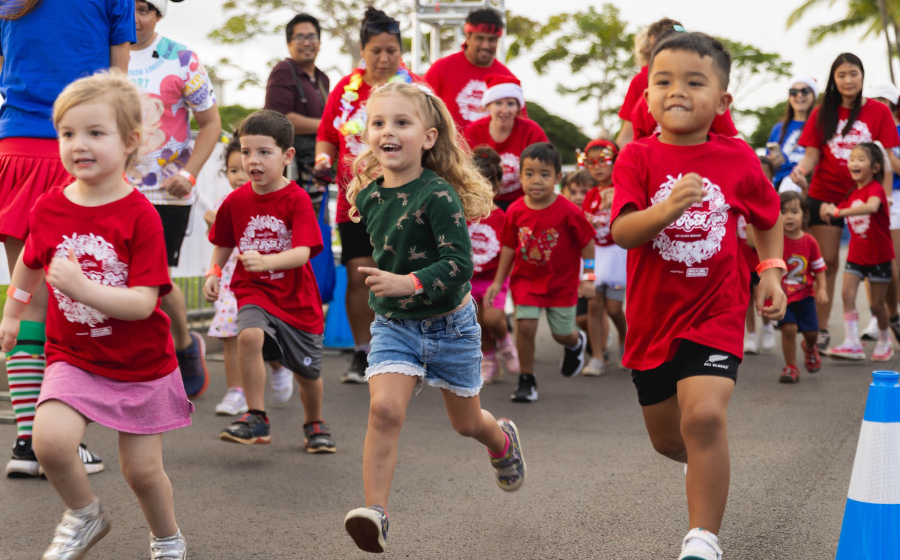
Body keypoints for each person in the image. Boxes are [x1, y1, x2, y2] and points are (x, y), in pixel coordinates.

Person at [0, 72, 192, 560]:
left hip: (140, 363)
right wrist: (13, 312)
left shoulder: (139, 215)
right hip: (75, 355)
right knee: (49, 441)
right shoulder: (49, 207)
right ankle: (85, 515)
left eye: (94, 133)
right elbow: (29, 262)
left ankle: (167, 538)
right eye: (67, 133)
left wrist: (85, 288)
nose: (77, 145)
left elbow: (144, 302)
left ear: (130, 142)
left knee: (142, 473)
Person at [610, 33, 785, 560]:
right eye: (662, 81)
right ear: (646, 97)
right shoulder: (636, 157)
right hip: (651, 319)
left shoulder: (737, 158)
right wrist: (666, 210)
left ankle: (702, 538)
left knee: (705, 417)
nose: (676, 90)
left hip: (717, 310)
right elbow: (622, 232)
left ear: (722, 101)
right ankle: (705, 464)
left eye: (694, 80)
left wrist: (772, 274)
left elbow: (768, 219)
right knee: (670, 439)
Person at [341, 82, 525, 553]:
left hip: (451, 326)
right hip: (394, 327)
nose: (388, 131)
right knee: (384, 410)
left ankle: (500, 439)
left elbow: (460, 264)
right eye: (379, 123)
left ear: (428, 136)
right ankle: (376, 513)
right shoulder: (367, 195)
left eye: (401, 122)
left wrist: (409, 282)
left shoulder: (438, 194)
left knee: (467, 424)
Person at [0, 0, 132, 478]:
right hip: (81, 147)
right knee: (75, 300)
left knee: (28, 293)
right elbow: (117, 84)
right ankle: (56, 438)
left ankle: (26, 441)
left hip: (16, 147)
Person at [205, 110, 336, 453]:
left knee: (308, 374)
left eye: (264, 152)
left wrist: (267, 261)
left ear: (287, 155)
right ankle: (256, 416)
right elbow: (224, 242)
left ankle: (314, 423)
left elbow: (304, 251)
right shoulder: (235, 201)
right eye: (247, 152)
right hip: (254, 290)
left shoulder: (296, 199)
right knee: (248, 335)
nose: (253, 161)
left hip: (296, 297)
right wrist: (214, 273)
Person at [128, 0, 222, 398]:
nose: (135, 16)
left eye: (145, 8)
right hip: (113, 190)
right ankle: (135, 361)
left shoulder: (181, 59)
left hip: (167, 193)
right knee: (118, 278)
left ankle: (185, 345)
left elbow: (211, 123)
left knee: (156, 279)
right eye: (127, 6)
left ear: (159, 15)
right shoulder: (97, 54)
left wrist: (188, 174)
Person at [315, 7, 413, 383]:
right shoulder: (345, 90)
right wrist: (325, 156)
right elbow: (327, 132)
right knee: (359, 277)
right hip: (355, 199)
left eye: (391, 50)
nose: (385, 59)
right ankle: (363, 352)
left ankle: (404, 351)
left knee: (401, 274)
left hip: (403, 200)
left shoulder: (413, 89)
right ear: (362, 50)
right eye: (377, 50)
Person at [790, 53, 900, 352]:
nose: (848, 80)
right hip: (825, 195)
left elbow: (888, 159)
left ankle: (890, 319)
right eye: (842, 75)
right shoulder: (821, 113)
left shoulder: (878, 111)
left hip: (866, 197)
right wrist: (799, 173)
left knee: (881, 262)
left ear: (862, 76)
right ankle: (821, 329)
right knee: (826, 262)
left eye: (853, 73)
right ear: (833, 79)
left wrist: (885, 197)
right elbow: (811, 155)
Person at [485, 142, 597, 403]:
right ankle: (527, 379)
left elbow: (588, 244)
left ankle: (575, 342)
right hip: (526, 282)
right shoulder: (514, 210)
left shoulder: (569, 211)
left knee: (561, 333)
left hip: (562, 284)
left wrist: (588, 278)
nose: (537, 181)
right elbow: (509, 248)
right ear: (521, 176)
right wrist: (497, 281)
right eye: (530, 173)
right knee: (525, 327)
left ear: (558, 178)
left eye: (544, 174)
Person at [202, 137, 297, 415]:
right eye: (233, 170)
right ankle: (236, 391)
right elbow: (221, 244)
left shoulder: (279, 198)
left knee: (265, 337)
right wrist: (213, 274)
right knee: (230, 334)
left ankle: (279, 366)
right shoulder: (227, 202)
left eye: (241, 170)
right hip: (233, 282)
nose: (239, 176)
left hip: (267, 283)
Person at [821, 143, 895, 361]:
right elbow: (835, 212)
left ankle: (884, 340)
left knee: (877, 305)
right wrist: (828, 209)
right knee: (847, 295)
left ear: (875, 167)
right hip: (856, 256)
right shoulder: (852, 194)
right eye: (852, 158)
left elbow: (872, 207)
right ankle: (852, 343)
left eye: (861, 159)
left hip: (879, 257)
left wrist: (837, 211)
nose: (854, 163)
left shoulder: (876, 189)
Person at [616, 19, 738, 147]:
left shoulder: (708, 94)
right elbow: (629, 135)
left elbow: (728, 141)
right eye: (663, 82)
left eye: (694, 84)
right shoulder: (640, 82)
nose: (677, 91)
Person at [424, 7, 522, 131]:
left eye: (492, 39)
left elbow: (520, 124)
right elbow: (422, 110)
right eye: (480, 38)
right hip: (449, 148)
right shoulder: (441, 68)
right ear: (468, 36)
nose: (486, 45)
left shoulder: (507, 78)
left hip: (488, 150)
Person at [469, 145, 519, 384]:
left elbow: (509, 252)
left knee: (492, 319)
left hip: (493, 277)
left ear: (496, 186)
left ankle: (506, 343)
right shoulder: (458, 213)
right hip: (468, 278)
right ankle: (489, 360)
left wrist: (499, 282)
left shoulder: (501, 216)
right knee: (477, 322)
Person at [264, 13, 330, 192]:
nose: (307, 42)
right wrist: (327, 125)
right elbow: (276, 119)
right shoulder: (284, 71)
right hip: (289, 175)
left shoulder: (322, 78)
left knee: (318, 218)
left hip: (315, 172)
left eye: (311, 37)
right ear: (289, 44)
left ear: (320, 42)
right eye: (300, 37)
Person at [463, 75, 548, 210]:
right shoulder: (473, 131)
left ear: (518, 107)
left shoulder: (532, 131)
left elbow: (546, 165)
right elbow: (463, 169)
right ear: (488, 106)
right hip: (482, 202)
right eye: (498, 103)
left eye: (510, 103)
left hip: (523, 202)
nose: (505, 110)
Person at [581, 139, 628, 376]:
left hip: (618, 254)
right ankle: (597, 356)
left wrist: (615, 202)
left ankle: (624, 339)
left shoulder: (624, 188)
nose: (597, 167)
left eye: (602, 161)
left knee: (614, 308)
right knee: (594, 305)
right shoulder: (590, 195)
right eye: (590, 162)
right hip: (594, 254)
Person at [861, 82, 900, 343]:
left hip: (895, 200)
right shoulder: (861, 135)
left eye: (884, 102)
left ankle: (893, 312)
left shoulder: (896, 132)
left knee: (892, 261)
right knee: (868, 260)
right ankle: (878, 315)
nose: (880, 107)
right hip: (867, 201)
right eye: (875, 101)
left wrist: (885, 147)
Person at [777, 191, 827, 383]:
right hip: (783, 296)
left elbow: (819, 269)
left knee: (812, 333)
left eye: (794, 211)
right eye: (783, 211)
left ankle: (809, 347)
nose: (788, 216)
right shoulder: (775, 241)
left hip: (805, 295)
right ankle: (790, 366)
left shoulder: (810, 242)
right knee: (788, 329)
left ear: (804, 215)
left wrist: (822, 289)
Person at [766, 77, 818, 189]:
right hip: (779, 184)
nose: (799, 95)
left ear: (813, 95)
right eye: (793, 92)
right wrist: (771, 162)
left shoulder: (820, 125)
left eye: (805, 91)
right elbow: (767, 162)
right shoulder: (778, 128)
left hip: (809, 183)